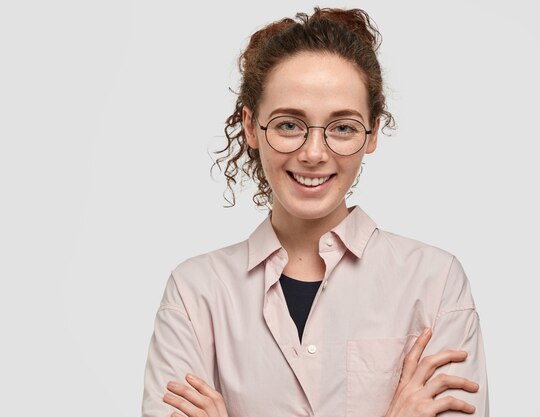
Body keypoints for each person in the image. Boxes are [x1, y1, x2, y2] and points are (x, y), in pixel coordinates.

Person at [141, 7, 489, 417]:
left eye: (343, 127)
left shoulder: (436, 282)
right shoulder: (195, 292)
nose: (313, 153)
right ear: (252, 127)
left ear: (373, 133)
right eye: (289, 124)